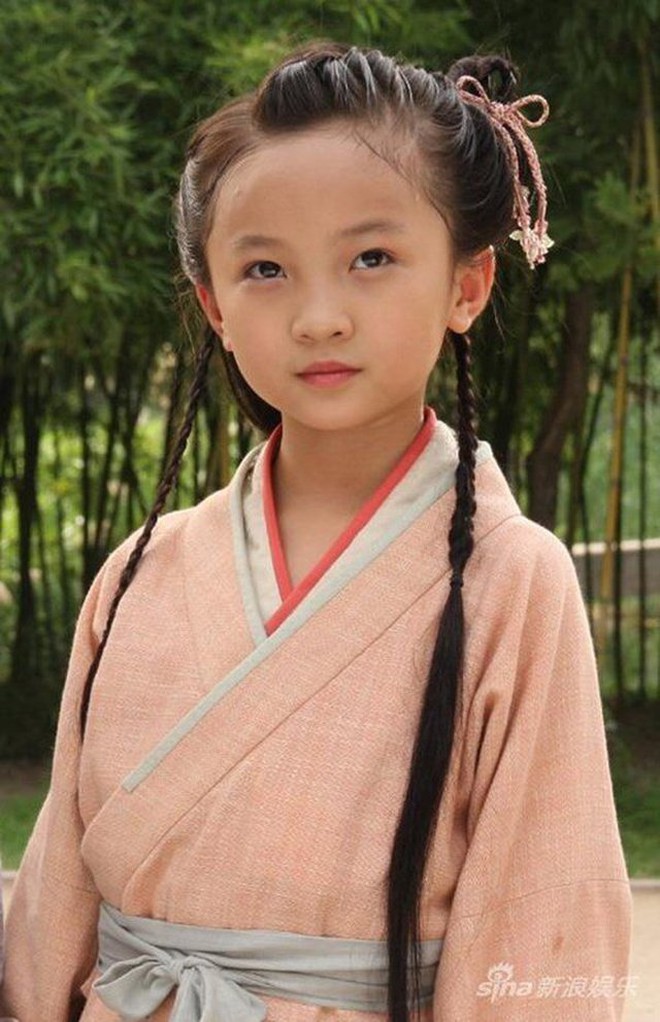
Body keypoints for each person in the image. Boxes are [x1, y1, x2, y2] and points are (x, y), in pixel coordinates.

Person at [1, 39, 632, 1022]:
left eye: (371, 258)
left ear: (467, 285)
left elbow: (544, 917)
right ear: (214, 306)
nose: (319, 316)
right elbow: (55, 900)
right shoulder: (142, 570)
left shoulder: (513, 580)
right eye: (265, 268)